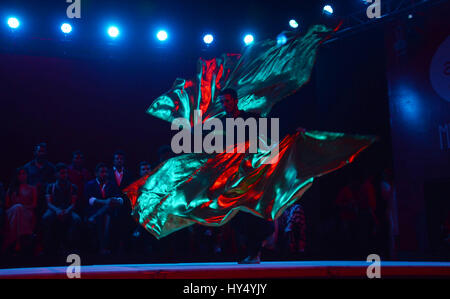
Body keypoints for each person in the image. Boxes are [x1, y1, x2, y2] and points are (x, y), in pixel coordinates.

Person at [124, 24, 375, 264]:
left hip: (247, 168)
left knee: (246, 207)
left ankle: (257, 245)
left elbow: (268, 133)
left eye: (227, 101)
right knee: (230, 212)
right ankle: (255, 245)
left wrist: (292, 134)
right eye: (222, 101)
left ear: (235, 101)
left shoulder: (248, 118)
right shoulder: (219, 121)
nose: (224, 104)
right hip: (225, 171)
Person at [42, 163, 82, 255]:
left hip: (68, 209)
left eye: (65, 173)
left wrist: (67, 211)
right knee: (46, 217)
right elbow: (49, 203)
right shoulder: (50, 187)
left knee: (76, 219)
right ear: (56, 174)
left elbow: (73, 203)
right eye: (62, 173)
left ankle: (72, 247)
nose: (64, 175)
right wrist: (57, 210)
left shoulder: (73, 187)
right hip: (54, 209)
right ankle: (47, 247)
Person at [84, 163, 124, 254]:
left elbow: (119, 198)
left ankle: (104, 247)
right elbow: (90, 200)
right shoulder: (90, 184)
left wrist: (114, 200)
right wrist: (106, 201)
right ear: (96, 173)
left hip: (109, 212)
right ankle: (103, 247)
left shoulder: (112, 184)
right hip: (93, 210)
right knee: (106, 211)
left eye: (106, 172)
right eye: (102, 172)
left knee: (108, 211)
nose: (104, 174)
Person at [2, 168, 37, 254]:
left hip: (27, 212)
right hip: (13, 212)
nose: (22, 176)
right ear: (17, 176)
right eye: (20, 174)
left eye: (24, 174)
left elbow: (34, 204)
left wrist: (22, 207)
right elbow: (7, 205)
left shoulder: (32, 188)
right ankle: (20, 239)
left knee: (19, 209)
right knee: (17, 209)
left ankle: (12, 240)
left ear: (27, 175)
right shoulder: (12, 188)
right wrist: (18, 207)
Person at [68, 150, 92, 215]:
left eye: (80, 158)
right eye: (77, 158)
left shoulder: (86, 172)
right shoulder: (67, 171)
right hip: (69, 200)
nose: (79, 160)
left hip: (83, 200)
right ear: (72, 159)